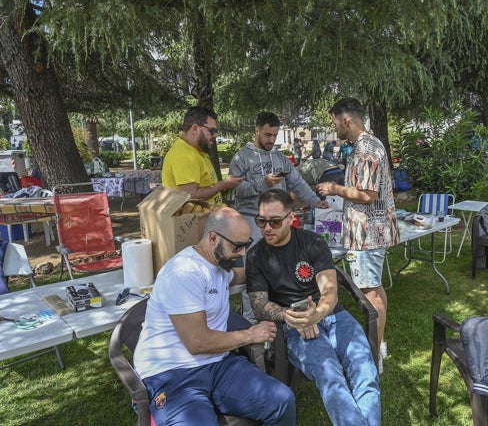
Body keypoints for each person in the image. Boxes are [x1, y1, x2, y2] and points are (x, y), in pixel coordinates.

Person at [132, 207, 296, 425]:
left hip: (218, 363)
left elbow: (235, 276)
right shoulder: (184, 272)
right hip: (173, 373)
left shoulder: (217, 263)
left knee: (282, 400)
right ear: (212, 238)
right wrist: (250, 335)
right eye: (237, 246)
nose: (243, 253)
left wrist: (274, 271)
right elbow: (197, 342)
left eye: (247, 245)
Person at [246, 189, 380, 426]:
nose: (267, 227)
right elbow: (259, 306)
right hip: (294, 325)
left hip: (333, 315)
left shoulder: (312, 242)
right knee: (330, 375)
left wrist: (316, 314)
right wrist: (295, 317)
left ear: (291, 217)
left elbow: (329, 290)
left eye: (275, 221)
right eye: (262, 221)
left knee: (365, 370)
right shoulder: (256, 255)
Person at [316, 97, 400, 373]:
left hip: (368, 234)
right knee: (374, 288)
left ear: (346, 120)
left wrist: (334, 188)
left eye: (335, 122)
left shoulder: (366, 149)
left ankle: (373, 357)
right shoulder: (366, 146)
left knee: (369, 293)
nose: (335, 127)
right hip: (368, 232)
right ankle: (381, 343)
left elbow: (366, 195)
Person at [229, 112, 328, 242]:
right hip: (253, 222)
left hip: (280, 221)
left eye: (275, 135)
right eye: (268, 135)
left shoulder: (280, 158)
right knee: (257, 261)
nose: (271, 140)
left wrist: (315, 201)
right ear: (257, 131)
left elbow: (297, 182)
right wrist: (263, 183)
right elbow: (236, 191)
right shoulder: (241, 158)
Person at [162, 106, 243, 203]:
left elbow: (206, 185)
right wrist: (224, 184)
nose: (215, 135)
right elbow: (192, 195)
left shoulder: (198, 149)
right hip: (198, 218)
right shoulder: (185, 156)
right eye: (212, 131)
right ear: (195, 129)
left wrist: (222, 188)